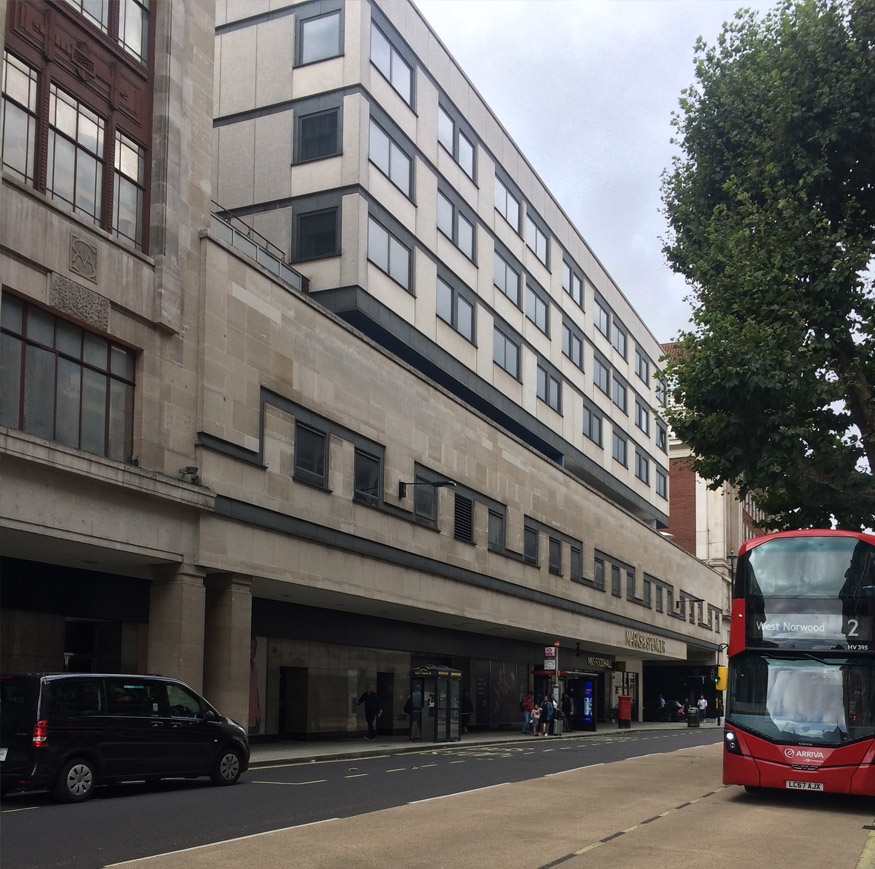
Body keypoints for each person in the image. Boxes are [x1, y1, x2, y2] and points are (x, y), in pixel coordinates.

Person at [248, 636, 261, 735]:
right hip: (246, 717)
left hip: (255, 717)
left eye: (255, 648)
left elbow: (255, 691)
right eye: (251, 647)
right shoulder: (244, 667)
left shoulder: (254, 667)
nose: (253, 651)